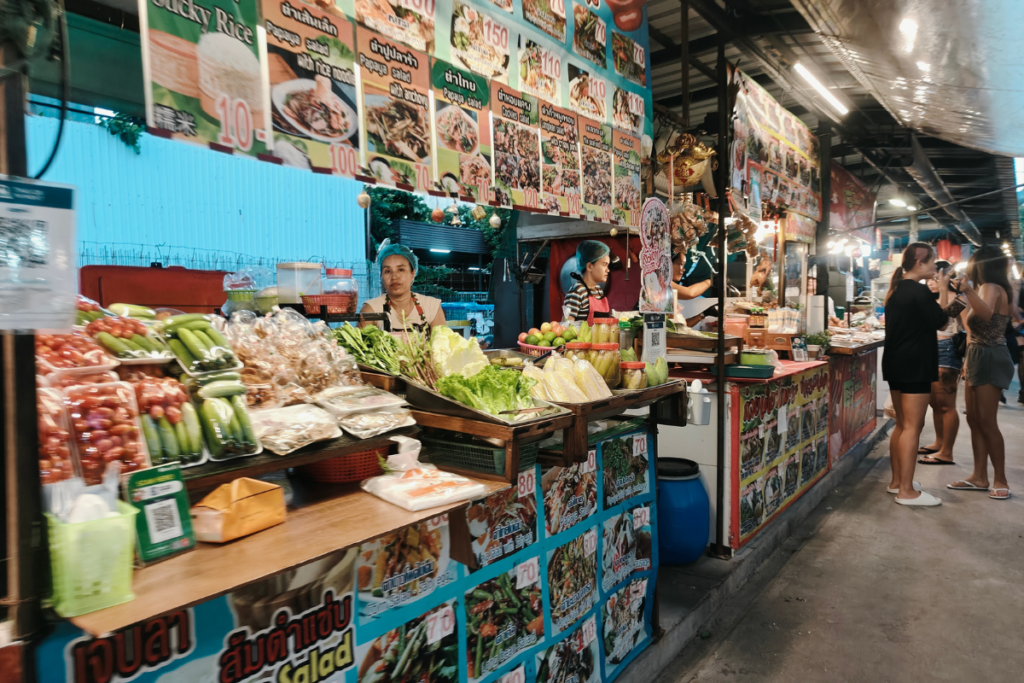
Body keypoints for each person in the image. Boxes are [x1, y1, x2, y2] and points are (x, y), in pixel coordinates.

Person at [882, 242, 962, 507]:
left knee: (902, 425)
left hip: (895, 362)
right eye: (931, 262)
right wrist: (944, 292)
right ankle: (907, 491)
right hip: (915, 363)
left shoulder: (895, 291)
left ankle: (897, 483)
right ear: (919, 263)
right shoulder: (918, 291)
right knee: (913, 427)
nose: (934, 267)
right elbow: (941, 321)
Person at [947, 247, 1015, 500]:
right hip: (975, 354)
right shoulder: (981, 289)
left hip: (991, 355)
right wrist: (960, 296)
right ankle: (979, 476)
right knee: (974, 419)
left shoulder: (993, 288)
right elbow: (969, 326)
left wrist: (968, 290)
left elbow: (986, 317)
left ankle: (1000, 479)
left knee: (987, 421)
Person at [918, 262, 962, 466]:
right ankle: (939, 443)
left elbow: (965, 329)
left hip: (947, 351)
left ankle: (947, 452)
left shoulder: (959, 299)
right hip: (930, 351)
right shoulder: (933, 298)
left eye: (936, 278)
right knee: (935, 404)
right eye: (930, 278)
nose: (930, 282)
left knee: (946, 405)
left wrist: (967, 361)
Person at [361, 243, 445, 337]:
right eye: (387, 271)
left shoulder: (431, 307)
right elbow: (359, 348)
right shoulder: (371, 309)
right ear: (381, 276)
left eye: (400, 270)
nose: (394, 277)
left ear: (412, 274)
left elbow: (442, 347)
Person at [564, 240, 618, 323]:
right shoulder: (577, 292)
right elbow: (566, 326)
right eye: (604, 264)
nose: (608, 270)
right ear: (589, 266)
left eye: (608, 265)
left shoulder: (598, 290)